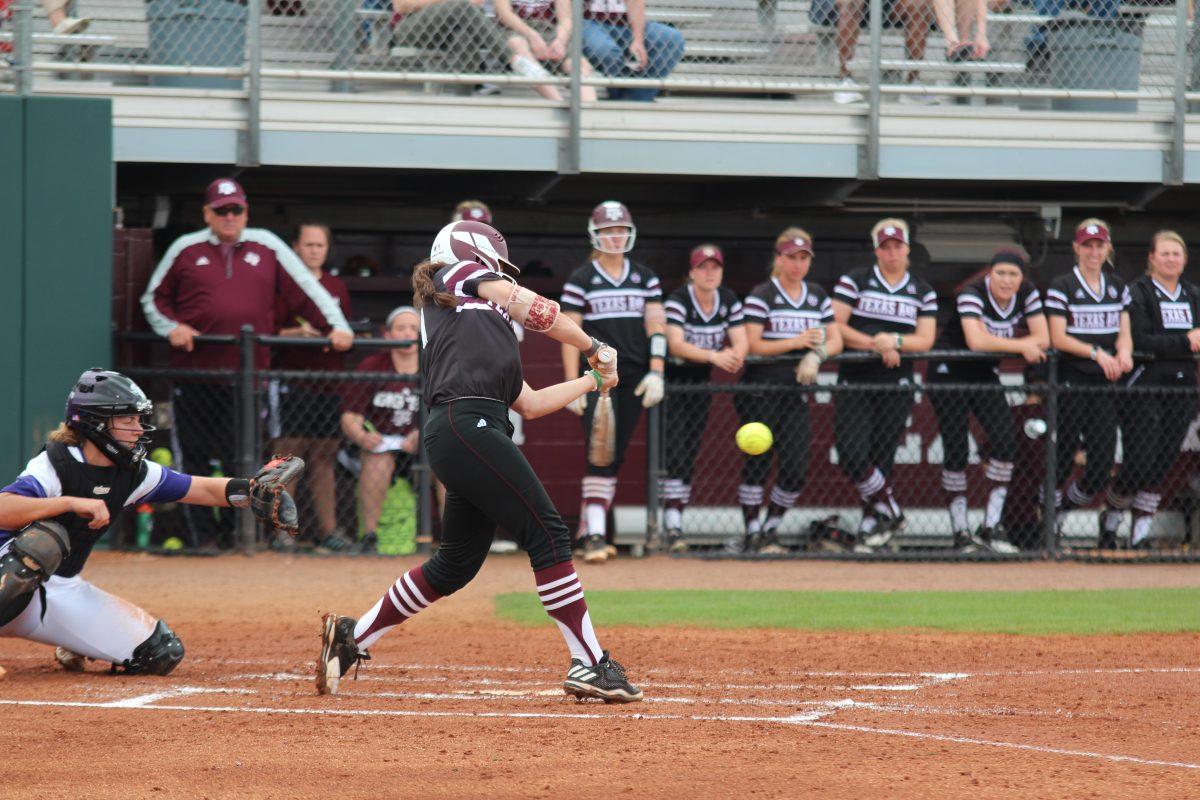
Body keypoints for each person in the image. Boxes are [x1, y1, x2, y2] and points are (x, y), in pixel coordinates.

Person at [316, 219, 642, 704]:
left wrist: (593, 382)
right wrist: (594, 346)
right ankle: (590, 661)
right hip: (465, 425)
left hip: (470, 431)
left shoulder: (479, 326)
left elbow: (528, 402)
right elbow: (532, 307)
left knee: (456, 564)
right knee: (548, 531)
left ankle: (352, 637)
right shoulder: (449, 275)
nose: (500, 280)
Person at [0, 369, 300, 676]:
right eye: (127, 420)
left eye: (138, 419)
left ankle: (74, 640)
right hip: (8, 576)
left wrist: (251, 492)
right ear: (94, 423)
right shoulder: (57, 462)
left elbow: (200, 488)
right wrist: (69, 502)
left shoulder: (132, 473)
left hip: (58, 590)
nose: (138, 428)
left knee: (160, 653)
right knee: (41, 545)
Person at [140, 178, 353, 550]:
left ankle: (239, 537)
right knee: (193, 458)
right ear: (207, 213)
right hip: (194, 375)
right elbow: (153, 299)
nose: (229, 216)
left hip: (248, 378)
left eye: (235, 209)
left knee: (242, 457)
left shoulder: (266, 244)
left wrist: (336, 326)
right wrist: (172, 326)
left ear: (245, 212)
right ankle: (202, 538)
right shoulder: (185, 248)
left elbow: (304, 288)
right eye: (221, 210)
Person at [560, 201, 665, 564]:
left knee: (615, 453)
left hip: (635, 375)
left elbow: (656, 326)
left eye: (620, 230)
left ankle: (591, 529)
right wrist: (571, 382)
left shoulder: (645, 277)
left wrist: (657, 370)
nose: (615, 237)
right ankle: (594, 534)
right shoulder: (581, 278)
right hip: (598, 375)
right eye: (608, 231)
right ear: (596, 235)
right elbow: (570, 332)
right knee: (599, 451)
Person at [927, 249, 1048, 553]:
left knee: (1006, 443)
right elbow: (976, 341)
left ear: (1022, 278)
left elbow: (1044, 338)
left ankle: (991, 526)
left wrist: (1024, 344)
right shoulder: (972, 292)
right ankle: (961, 532)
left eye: (1014, 274)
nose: (1007, 280)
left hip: (984, 372)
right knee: (955, 447)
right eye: (1001, 273)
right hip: (948, 369)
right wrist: (1021, 345)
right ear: (990, 274)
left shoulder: (1028, 293)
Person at [733, 230, 843, 554]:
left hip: (795, 390)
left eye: (804, 258)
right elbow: (753, 344)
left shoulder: (817, 295)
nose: (798, 264)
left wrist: (816, 354)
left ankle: (770, 529)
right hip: (760, 387)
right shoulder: (763, 293)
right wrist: (797, 343)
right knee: (758, 462)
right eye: (792, 257)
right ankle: (752, 532)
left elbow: (834, 339)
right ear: (779, 259)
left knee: (796, 465)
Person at [832, 218, 937, 550]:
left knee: (883, 456)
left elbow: (926, 339)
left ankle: (871, 525)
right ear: (876, 249)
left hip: (897, 381)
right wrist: (873, 344)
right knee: (851, 453)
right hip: (855, 377)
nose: (892, 253)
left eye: (897, 246)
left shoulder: (922, 289)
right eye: (885, 247)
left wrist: (896, 342)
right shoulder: (856, 280)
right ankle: (891, 511)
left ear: (907, 248)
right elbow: (834, 325)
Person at [1099, 231, 1200, 550]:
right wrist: (1185, 342)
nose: (1171, 259)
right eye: (1165, 253)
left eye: (1177, 254)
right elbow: (1141, 340)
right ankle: (1111, 520)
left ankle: (1140, 533)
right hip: (1144, 385)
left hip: (1183, 386)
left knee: (1163, 461)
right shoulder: (1138, 292)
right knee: (1139, 460)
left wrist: (1184, 346)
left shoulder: (1193, 295)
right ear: (1152, 258)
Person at [1044, 219, 1133, 543]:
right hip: (1071, 378)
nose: (1093, 251)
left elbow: (1124, 333)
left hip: (1104, 384)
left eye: (1099, 245)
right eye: (1087, 245)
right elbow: (1058, 337)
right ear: (1076, 248)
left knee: (1101, 465)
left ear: (1107, 248)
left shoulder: (1117, 285)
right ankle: (1045, 524)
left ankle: (1062, 511)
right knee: (1061, 456)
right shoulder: (1062, 284)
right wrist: (1098, 353)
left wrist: (1124, 353)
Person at [272, 221, 354, 552]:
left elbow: (346, 332)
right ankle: (282, 530)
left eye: (320, 245)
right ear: (295, 248)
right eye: (308, 245)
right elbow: (270, 330)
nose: (314, 251)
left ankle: (328, 532)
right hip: (292, 380)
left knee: (324, 458)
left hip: (328, 383)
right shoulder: (284, 286)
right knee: (287, 457)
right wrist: (297, 334)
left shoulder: (336, 286)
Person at [661, 244, 748, 554]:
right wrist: (715, 355)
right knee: (674, 452)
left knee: (691, 452)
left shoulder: (728, 299)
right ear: (692, 272)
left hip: (701, 384)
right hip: (673, 383)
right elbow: (676, 344)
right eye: (703, 267)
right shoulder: (679, 299)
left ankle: (676, 520)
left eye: (715, 267)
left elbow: (741, 341)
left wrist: (735, 355)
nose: (710, 273)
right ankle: (671, 524)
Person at [339, 306, 422, 554]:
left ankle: (454, 541)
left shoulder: (434, 365)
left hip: (422, 443)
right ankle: (370, 536)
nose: (408, 333)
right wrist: (362, 436)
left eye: (414, 328)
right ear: (388, 335)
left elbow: (446, 411)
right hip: (381, 443)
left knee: (447, 464)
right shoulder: (373, 365)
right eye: (401, 328)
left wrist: (423, 433)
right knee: (378, 462)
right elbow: (350, 416)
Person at [490, 0, 599, 102]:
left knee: (578, 64)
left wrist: (560, 41)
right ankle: (557, 103)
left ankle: (590, 111)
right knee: (517, 44)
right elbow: (504, 14)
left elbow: (565, 18)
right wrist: (531, 35)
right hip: (515, 29)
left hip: (548, 29)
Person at [579, 0, 685, 101]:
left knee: (672, 38)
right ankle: (622, 91)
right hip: (589, 22)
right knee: (604, 50)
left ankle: (636, 98)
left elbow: (635, 2)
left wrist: (638, 39)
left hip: (625, 23)